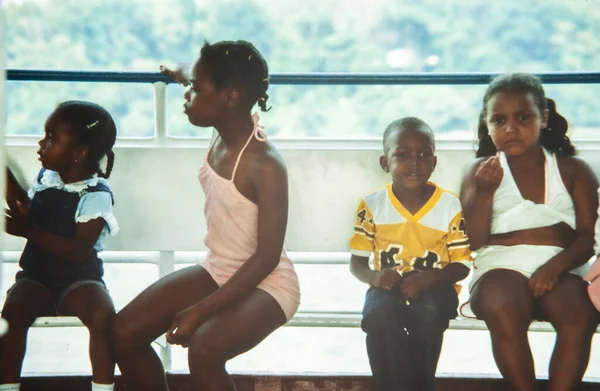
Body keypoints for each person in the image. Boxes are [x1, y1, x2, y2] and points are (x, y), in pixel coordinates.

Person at [111, 40, 300, 391]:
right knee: (122, 333)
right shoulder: (224, 130)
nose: (186, 95)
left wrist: (201, 310)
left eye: (195, 89)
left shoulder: (264, 164)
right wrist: (180, 70)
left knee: (204, 348)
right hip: (219, 270)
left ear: (229, 96)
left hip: (267, 283)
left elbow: (267, 258)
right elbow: (203, 71)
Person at [460, 72, 599, 391]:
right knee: (499, 301)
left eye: (523, 117)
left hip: (563, 266)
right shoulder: (481, 171)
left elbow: (585, 240)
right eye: (499, 120)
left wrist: (554, 266)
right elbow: (475, 241)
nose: (510, 128)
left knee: (579, 312)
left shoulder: (573, 170)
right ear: (488, 124)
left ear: (544, 118)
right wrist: (484, 192)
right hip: (500, 266)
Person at [0, 101, 119, 391]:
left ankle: (103, 389)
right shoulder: (46, 180)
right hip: (36, 276)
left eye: (51, 138)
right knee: (12, 313)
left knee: (103, 315)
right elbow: (27, 208)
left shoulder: (96, 194)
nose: (41, 144)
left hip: (79, 280)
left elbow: (78, 250)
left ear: (79, 153)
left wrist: (27, 229)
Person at [349, 117, 472, 391]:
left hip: (436, 286)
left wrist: (430, 279)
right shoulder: (372, 205)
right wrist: (376, 277)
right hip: (387, 285)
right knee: (379, 314)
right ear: (385, 163)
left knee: (427, 314)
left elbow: (462, 265)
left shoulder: (449, 205)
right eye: (402, 155)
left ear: (434, 162)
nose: (414, 162)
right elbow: (357, 262)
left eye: (423, 154)